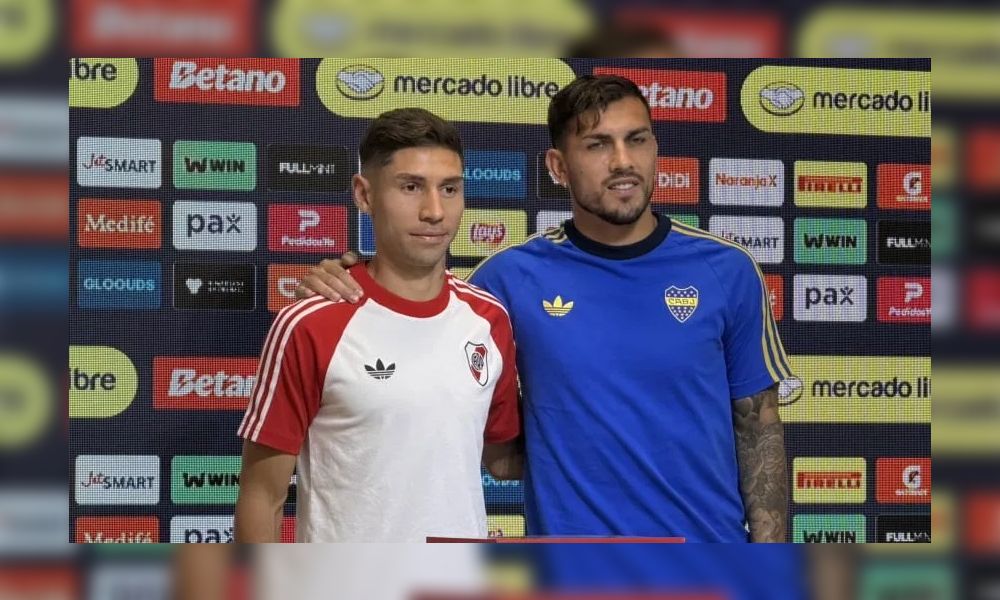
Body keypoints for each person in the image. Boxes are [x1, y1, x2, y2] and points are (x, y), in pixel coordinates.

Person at [296, 75, 793, 543]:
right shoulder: (505, 281)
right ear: (558, 166)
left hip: (707, 563)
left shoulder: (727, 270)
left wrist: (772, 569)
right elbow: (412, 312)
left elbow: (759, 431)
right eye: (598, 145)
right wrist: (345, 279)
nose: (623, 161)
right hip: (569, 572)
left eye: (637, 140)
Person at [234, 108, 521, 543]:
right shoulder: (310, 321)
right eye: (411, 187)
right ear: (365, 195)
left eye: (450, 189)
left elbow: (504, 459)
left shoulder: (489, 319)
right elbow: (262, 496)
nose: (434, 211)